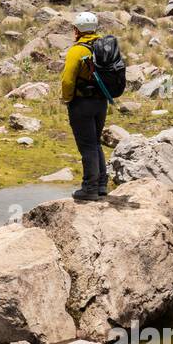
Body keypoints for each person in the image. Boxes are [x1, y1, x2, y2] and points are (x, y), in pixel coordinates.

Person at [60, 10, 109, 201]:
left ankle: (89, 189)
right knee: (95, 142)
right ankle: (101, 185)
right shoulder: (104, 45)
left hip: (82, 103)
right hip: (101, 101)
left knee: (87, 146)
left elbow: (67, 80)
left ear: (77, 30)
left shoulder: (77, 50)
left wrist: (67, 99)